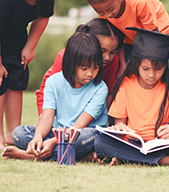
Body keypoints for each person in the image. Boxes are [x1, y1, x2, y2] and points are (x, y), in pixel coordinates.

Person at [94, 28, 169, 167]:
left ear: (165, 66)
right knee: (100, 142)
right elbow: (119, 124)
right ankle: (165, 161)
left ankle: (129, 158)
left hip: (162, 144)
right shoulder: (126, 84)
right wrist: (120, 127)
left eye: (158, 68)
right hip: (133, 143)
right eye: (145, 69)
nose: (152, 75)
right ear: (137, 65)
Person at [2, 30, 108, 161]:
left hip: (82, 134)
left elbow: (80, 125)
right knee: (19, 133)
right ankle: (79, 156)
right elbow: (46, 118)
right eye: (84, 68)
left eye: (96, 67)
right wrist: (38, 137)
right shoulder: (53, 82)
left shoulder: (100, 88)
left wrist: (52, 143)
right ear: (70, 63)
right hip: (56, 133)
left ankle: (30, 155)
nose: (90, 74)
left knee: (91, 136)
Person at [0, 0, 54, 149]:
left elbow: (43, 17)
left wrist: (30, 47)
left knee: (17, 78)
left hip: (15, 38)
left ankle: (13, 134)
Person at [83, 0, 169, 74]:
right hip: (130, 36)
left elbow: (152, 35)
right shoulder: (105, 9)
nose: (107, 15)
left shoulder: (139, 2)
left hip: (155, 32)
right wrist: (123, 65)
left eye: (111, 9)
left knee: (150, 70)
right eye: (101, 12)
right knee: (128, 71)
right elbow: (117, 39)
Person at [35, 18, 124, 113]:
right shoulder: (63, 57)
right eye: (102, 51)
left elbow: (109, 92)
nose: (107, 57)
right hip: (54, 98)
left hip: (88, 98)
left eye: (112, 52)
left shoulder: (113, 60)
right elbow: (56, 91)